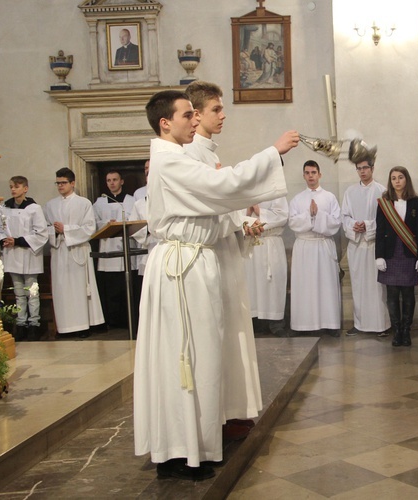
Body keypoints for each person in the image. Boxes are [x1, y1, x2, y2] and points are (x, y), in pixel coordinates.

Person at [134, 89, 299, 481]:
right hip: (181, 269)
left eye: (195, 114)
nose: (195, 121)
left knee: (200, 358)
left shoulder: (174, 158)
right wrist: (272, 152)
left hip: (193, 263)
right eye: (188, 115)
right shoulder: (170, 161)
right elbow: (223, 189)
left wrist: (241, 222)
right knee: (185, 360)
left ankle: (195, 447)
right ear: (165, 123)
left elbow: (215, 202)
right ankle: (179, 453)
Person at [183, 80, 267, 441]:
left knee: (234, 330)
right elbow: (206, 209)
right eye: (216, 109)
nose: (223, 115)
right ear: (197, 114)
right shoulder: (189, 155)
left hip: (226, 254)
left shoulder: (209, 155)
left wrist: (244, 225)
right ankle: (218, 413)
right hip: (208, 257)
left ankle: (234, 408)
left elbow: (222, 209)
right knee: (218, 335)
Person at [44, 168, 106, 338]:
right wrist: (55, 232)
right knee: (62, 290)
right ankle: (64, 328)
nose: (60, 186)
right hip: (59, 251)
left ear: (72, 183)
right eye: (58, 183)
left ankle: (82, 326)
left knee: (79, 290)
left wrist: (66, 229)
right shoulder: (50, 205)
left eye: (63, 183)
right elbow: (45, 229)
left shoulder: (83, 203)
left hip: (77, 250)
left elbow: (89, 228)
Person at [288, 160, 342, 336]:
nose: (310, 176)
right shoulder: (297, 199)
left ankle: (330, 324)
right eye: (307, 173)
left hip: (322, 244)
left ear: (320, 174)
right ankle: (304, 325)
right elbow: (292, 223)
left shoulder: (330, 197)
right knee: (305, 286)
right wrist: (309, 215)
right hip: (305, 247)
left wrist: (318, 216)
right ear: (304, 175)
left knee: (326, 285)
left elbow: (336, 222)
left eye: (313, 172)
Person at [375, 166, 418, 347]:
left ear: (406, 180)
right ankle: (396, 331)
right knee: (392, 294)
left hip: (408, 253)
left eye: (400, 177)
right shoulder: (384, 203)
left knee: (408, 293)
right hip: (390, 253)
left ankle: (406, 330)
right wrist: (379, 256)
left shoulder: (416, 202)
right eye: (394, 178)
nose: (397, 181)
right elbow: (380, 231)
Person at [341, 157, 389, 336]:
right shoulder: (350, 191)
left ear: (372, 168)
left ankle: (381, 325)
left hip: (375, 246)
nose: (362, 171)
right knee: (358, 285)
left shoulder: (382, 191)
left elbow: (386, 220)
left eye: (365, 168)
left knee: (376, 287)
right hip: (356, 245)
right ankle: (359, 324)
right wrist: (353, 224)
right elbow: (344, 216)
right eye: (359, 168)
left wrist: (368, 226)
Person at [0, 176, 48, 341]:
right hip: (12, 255)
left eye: (17, 186)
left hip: (29, 255)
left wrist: (18, 240)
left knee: (32, 292)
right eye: (11, 186)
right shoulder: (4, 208)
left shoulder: (34, 208)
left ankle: (34, 324)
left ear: (25, 188)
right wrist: (3, 240)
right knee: (19, 293)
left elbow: (41, 233)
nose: (13, 189)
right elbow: (0, 229)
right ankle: (21, 324)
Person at [93, 170, 136, 329]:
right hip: (107, 248)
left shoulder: (131, 200)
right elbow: (94, 223)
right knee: (111, 288)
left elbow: (135, 220)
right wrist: (106, 223)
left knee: (126, 287)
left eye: (115, 180)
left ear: (121, 182)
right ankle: (112, 320)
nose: (112, 183)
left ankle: (127, 320)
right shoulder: (100, 202)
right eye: (109, 180)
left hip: (126, 247)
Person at [244, 197, 289, 336]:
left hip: (270, 242)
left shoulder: (275, 192)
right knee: (251, 283)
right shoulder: (242, 188)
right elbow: (234, 216)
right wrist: (247, 214)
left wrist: (259, 211)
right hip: (249, 242)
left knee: (273, 283)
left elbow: (283, 215)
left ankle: (275, 323)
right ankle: (254, 322)